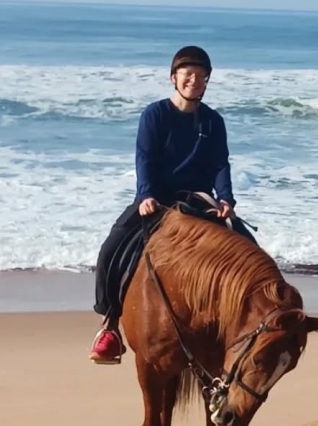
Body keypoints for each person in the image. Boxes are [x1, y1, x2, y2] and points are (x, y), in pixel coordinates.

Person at [89, 45, 254, 364]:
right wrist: (146, 195)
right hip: (158, 198)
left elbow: (221, 163)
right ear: (174, 78)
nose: (195, 80)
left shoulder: (213, 121)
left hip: (198, 199)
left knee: (248, 246)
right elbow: (145, 157)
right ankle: (109, 324)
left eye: (202, 76)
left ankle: (250, 324)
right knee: (112, 247)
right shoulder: (155, 115)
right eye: (188, 74)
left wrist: (226, 199)